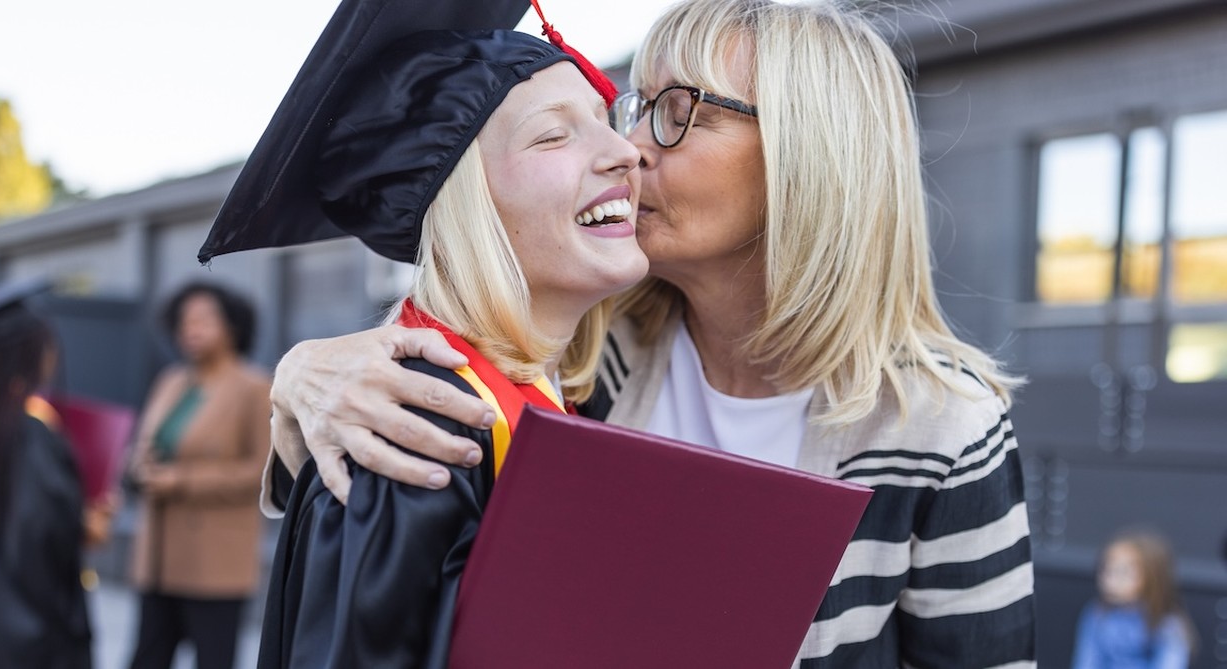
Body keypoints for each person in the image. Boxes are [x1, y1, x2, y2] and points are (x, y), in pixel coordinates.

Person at [264, 0, 1038, 666]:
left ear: (812, 157)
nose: (631, 148)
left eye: (676, 112)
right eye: (638, 106)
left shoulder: (942, 425)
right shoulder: (582, 356)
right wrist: (301, 376)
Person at [194, 1, 647, 664]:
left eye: (609, 122)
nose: (626, 154)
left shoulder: (571, 389)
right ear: (467, 206)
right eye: (555, 135)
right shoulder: (402, 435)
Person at [0, 283, 109, 668]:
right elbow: (40, 534)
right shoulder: (30, 436)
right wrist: (87, 526)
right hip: (30, 632)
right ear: (28, 355)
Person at [126, 281, 271, 669]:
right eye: (184, 321)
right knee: (146, 656)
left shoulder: (253, 387)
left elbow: (262, 471)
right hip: (158, 554)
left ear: (233, 326)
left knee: (213, 659)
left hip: (215, 559)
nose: (191, 329)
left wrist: (182, 481)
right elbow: (148, 443)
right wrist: (137, 465)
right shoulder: (171, 381)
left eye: (204, 320)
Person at [1072, 529, 1196, 669]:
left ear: (1152, 577)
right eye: (1107, 570)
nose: (1110, 581)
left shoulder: (1168, 624)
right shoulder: (1096, 614)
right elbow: (1086, 662)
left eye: (1123, 573)